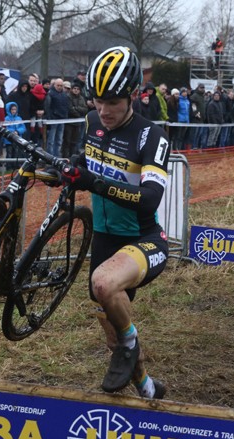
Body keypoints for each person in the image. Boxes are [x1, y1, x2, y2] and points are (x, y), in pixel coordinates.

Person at [59, 46, 170, 399]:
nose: (104, 111)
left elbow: (151, 198)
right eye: (97, 101)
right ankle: (148, 388)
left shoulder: (150, 137)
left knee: (104, 284)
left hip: (144, 239)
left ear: (133, 95)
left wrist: (94, 182)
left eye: (113, 102)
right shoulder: (92, 121)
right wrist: (68, 171)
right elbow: (83, 160)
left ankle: (131, 343)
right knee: (113, 339)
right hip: (104, 239)